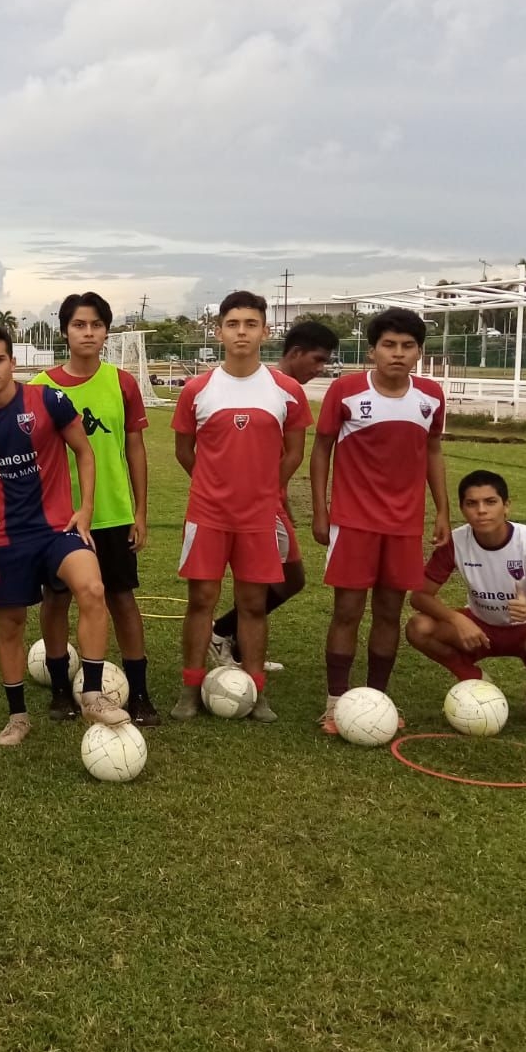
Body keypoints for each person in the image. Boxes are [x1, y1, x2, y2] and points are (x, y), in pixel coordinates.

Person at [0, 324, 129, 745]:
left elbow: (84, 452)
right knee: (11, 624)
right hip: (9, 537)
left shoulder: (48, 400)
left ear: (13, 362)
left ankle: (91, 693)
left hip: (56, 529)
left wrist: (84, 509)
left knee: (92, 587)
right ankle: (18, 717)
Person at [171, 291, 311, 722]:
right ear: (219, 332)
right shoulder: (198, 389)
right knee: (202, 601)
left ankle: (256, 690)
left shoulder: (285, 391)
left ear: (266, 332)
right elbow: (184, 450)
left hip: (258, 516)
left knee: (252, 603)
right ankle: (190, 690)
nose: (242, 332)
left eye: (251, 324)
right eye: (233, 324)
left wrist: (265, 488)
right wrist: (215, 485)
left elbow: (293, 451)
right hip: (208, 514)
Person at [310, 308, 449, 732]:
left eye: (408, 346)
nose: (398, 354)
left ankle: (378, 698)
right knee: (348, 611)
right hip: (353, 522)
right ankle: (335, 702)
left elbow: (433, 451)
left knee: (389, 612)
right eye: (389, 345)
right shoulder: (346, 391)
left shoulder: (430, 396)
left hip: (405, 526)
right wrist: (321, 509)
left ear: (419, 353)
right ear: (372, 350)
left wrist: (442, 510)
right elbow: (321, 449)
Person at [29, 292, 156, 725]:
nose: (88, 332)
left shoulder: (122, 383)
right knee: (57, 600)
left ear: (106, 331)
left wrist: (139, 512)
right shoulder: (39, 388)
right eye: (79, 325)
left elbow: (135, 449)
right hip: (58, 520)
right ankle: (62, 691)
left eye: (96, 325)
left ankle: (139, 694)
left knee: (122, 600)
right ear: (65, 330)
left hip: (113, 513)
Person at [208, 320, 339, 668]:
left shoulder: (289, 391)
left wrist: (282, 497)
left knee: (288, 579)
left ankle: (231, 636)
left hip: (270, 502)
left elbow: (285, 455)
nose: (320, 368)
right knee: (282, 578)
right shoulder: (271, 388)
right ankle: (222, 633)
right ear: (295, 353)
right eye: (317, 359)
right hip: (249, 505)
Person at [407, 470, 526, 730]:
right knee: (418, 628)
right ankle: (474, 679)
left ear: (506, 506)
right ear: (463, 509)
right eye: (471, 503)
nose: (481, 511)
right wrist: (456, 619)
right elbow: (419, 596)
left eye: (490, 502)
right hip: (480, 628)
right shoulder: (455, 542)